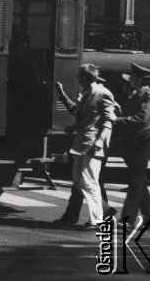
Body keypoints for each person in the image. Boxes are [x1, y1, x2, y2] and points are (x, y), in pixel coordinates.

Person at [53, 64, 116, 228]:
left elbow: (109, 121)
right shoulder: (86, 94)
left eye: (79, 75)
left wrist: (101, 141)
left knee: (89, 182)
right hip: (81, 144)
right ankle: (105, 210)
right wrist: (61, 93)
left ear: (86, 78)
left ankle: (98, 218)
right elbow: (76, 111)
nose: (77, 78)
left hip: (93, 144)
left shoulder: (103, 93)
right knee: (78, 180)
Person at [116, 63, 150, 230]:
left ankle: (127, 220)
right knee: (139, 181)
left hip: (143, 142)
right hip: (133, 142)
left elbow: (141, 118)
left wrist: (119, 120)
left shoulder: (149, 96)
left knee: (135, 181)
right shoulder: (136, 95)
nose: (130, 79)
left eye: (133, 77)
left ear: (140, 79)